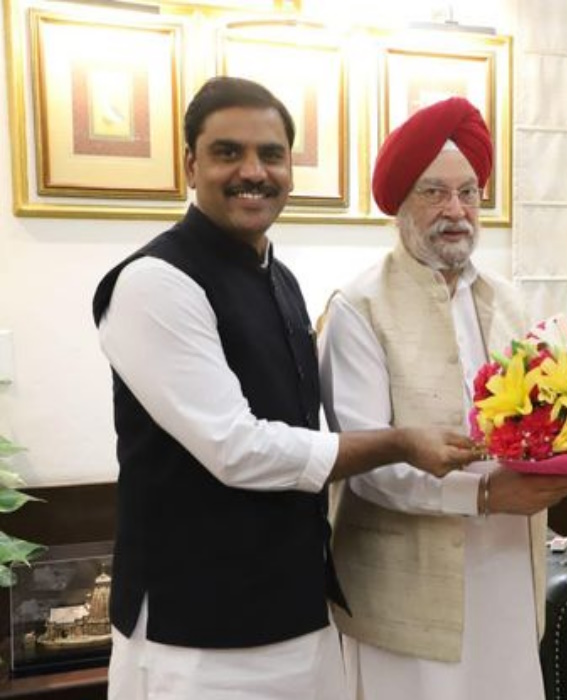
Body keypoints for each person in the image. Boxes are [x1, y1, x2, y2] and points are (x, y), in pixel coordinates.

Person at [92, 77, 477, 700]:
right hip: (196, 636)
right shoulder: (153, 283)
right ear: (190, 164)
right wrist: (400, 442)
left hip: (299, 616)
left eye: (271, 154)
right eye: (228, 153)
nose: (253, 171)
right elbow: (237, 448)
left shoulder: (282, 279)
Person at [316, 97, 567, 700]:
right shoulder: (358, 308)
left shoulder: (510, 301)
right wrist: (484, 493)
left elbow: (542, 417)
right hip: (405, 584)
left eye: (468, 192)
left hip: (508, 563)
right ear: (399, 204)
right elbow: (365, 467)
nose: (456, 211)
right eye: (434, 192)